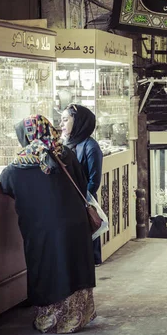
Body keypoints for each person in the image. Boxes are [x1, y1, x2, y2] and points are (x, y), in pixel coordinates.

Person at [0, 115, 96, 334]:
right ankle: (73, 318)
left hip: (40, 230)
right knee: (73, 266)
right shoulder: (65, 154)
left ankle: (49, 319)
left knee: (46, 268)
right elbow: (82, 184)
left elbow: (6, 185)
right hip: (75, 224)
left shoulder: (17, 167)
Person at [60, 104, 103, 266]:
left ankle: (91, 263)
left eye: (65, 120)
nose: (61, 125)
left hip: (84, 198)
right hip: (69, 198)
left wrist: (83, 199)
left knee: (88, 231)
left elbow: (94, 179)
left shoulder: (91, 147)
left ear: (78, 121)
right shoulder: (66, 143)